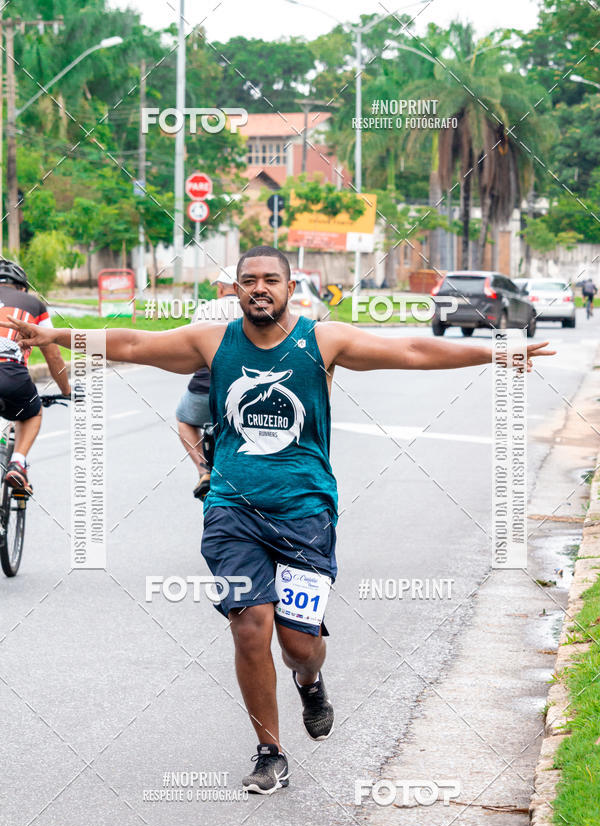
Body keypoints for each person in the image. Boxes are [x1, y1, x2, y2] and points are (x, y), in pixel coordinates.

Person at [1, 245, 554, 794]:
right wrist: (60, 337)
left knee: (297, 643)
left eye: (270, 279)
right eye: (248, 280)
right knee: (249, 627)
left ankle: (310, 680)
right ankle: (271, 752)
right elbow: (136, 344)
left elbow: (408, 349)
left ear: (291, 288)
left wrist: (494, 353)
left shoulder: (322, 340)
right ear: (236, 289)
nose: (258, 287)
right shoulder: (212, 341)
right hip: (230, 509)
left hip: (306, 510)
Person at [0, 259, 70, 493]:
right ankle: (17, 463)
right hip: (10, 375)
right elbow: (53, 355)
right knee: (32, 409)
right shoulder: (33, 304)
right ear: (21, 287)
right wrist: (66, 390)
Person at [175, 266, 241, 500]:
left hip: (205, 386)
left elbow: (191, 348)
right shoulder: (255, 311)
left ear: (223, 288)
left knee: (184, 420)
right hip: (243, 388)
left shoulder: (204, 309)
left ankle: (204, 470)